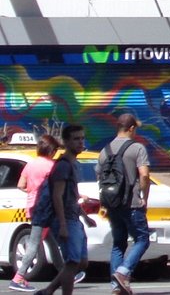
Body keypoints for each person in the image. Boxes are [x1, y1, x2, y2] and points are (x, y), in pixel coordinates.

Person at [11, 134, 75, 292]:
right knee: (34, 243)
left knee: (52, 242)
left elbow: (21, 185)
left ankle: (65, 272)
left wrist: (32, 191)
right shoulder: (52, 166)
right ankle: (18, 277)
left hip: (33, 206)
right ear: (52, 150)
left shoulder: (31, 164)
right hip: (45, 207)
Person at [32, 124, 87, 295]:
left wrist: (85, 216)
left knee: (82, 262)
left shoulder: (74, 164)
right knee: (72, 262)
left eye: (82, 138)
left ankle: (48, 290)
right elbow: (57, 196)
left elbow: (73, 195)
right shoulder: (63, 165)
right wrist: (62, 225)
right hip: (65, 220)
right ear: (66, 142)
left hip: (74, 218)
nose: (80, 142)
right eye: (76, 139)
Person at [101, 114, 151, 295]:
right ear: (130, 128)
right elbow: (144, 175)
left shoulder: (104, 151)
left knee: (118, 243)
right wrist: (144, 195)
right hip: (132, 203)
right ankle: (123, 272)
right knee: (142, 240)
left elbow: (101, 177)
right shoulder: (137, 148)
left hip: (112, 204)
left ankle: (116, 288)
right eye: (135, 129)